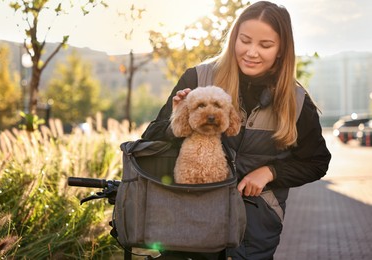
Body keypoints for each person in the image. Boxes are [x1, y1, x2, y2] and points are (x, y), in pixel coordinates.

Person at [141, 1, 331, 259]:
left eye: (265, 45)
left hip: (253, 232)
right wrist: (178, 119)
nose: (252, 52)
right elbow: (151, 138)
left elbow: (317, 162)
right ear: (234, 39)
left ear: (281, 50)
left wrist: (270, 172)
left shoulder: (296, 101)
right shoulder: (198, 78)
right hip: (190, 223)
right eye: (245, 40)